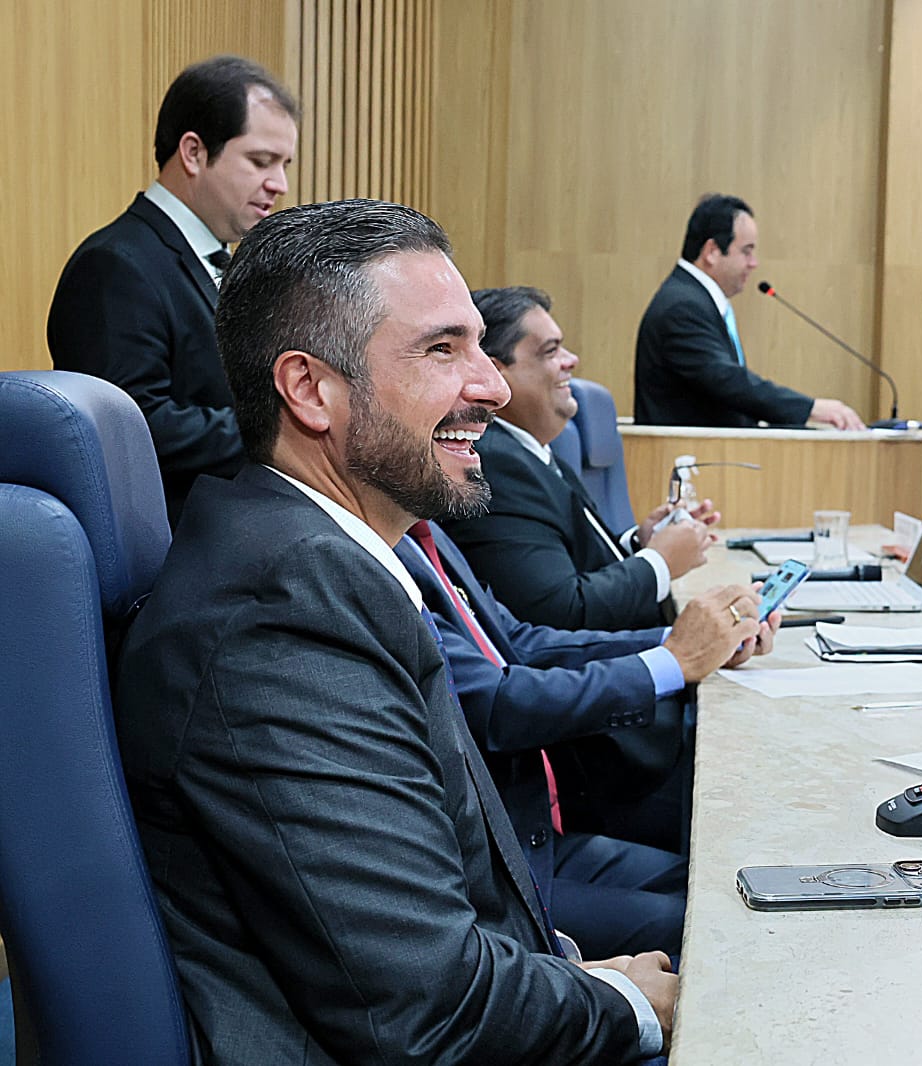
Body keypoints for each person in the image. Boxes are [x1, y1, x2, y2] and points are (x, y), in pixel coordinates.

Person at [114, 198, 684, 1063]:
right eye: (442, 349)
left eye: (481, 348)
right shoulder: (285, 615)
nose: (492, 387)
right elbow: (428, 1010)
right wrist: (625, 1004)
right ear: (311, 390)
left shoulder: (313, 558)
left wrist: (576, 973)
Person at [397, 517, 778, 952]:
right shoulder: (381, 557)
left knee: (729, 894)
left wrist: (690, 642)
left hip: (535, 835)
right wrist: (675, 661)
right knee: (714, 932)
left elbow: (519, 642)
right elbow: (497, 703)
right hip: (490, 874)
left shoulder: (423, 534)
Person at [48, 55, 299, 527]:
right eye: (260, 161)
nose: (279, 184)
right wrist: (283, 430)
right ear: (193, 152)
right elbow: (132, 426)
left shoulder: (227, 260)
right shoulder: (116, 265)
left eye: (283, 164)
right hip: (175, 544)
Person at [445, 285, 714, 631]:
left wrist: (639, 543)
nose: (571, 360)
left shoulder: (531, 449)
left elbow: (574, 558)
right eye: (550, 351)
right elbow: (561, 611)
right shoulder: (496, 464)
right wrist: (659, 562)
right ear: (496, 374)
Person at [633, 193, 866, 429]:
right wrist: (810, 408)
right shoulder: (682, 308)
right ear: (712, 251)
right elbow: (726, 381)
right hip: (694, 450)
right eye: (746, 251)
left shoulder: (693, 299)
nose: (753, 263)